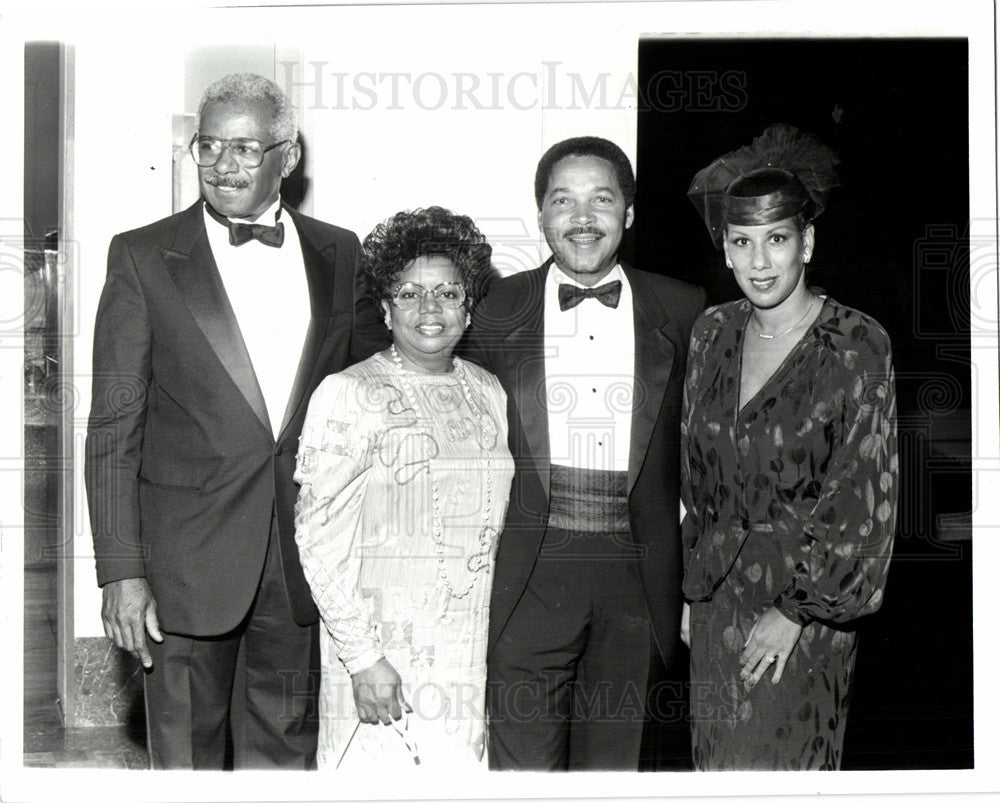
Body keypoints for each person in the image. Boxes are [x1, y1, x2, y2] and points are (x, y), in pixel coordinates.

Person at [84, 72, 387, 769]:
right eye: (210, 146)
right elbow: (113, 430)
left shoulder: (339, 252)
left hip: (298, 558)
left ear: (290, 155)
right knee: (185, 761)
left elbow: (371, 388)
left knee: (285, 756)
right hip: (182, 569)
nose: (224, 165)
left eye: (247, 149)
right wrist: (121, 571)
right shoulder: (141, 255)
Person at [466, 136, 707, 770]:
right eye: (562, 200)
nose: (582, 217)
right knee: (521, 770)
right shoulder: (490, 311)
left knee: (615, 767)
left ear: (628, 212)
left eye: (601, 199)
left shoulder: (684, 309)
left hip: (639, 573)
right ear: (540, 214)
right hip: (526, 569)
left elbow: (705, 458)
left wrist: (698, 590)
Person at [681, 124, 898, 770]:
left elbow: (866, 498)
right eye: (741, 242)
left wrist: (797, 611)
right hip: (716, 603)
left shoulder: (856, 343)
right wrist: (691, 592)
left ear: (807, 241)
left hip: (802, 611)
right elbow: (695, 480)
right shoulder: (711, 333)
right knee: (716, 770)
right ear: (724, 250)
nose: (759, 261)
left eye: (776, 239)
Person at [293, 206, 514, 769]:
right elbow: (317, 541)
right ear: (386, 308)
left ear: (469, 304)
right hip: (382, 660)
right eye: (410, 293)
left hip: (468, 655)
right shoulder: (348, 393)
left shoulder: (489, 391)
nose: (430, 309)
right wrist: (363, 659)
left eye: (448, 292)